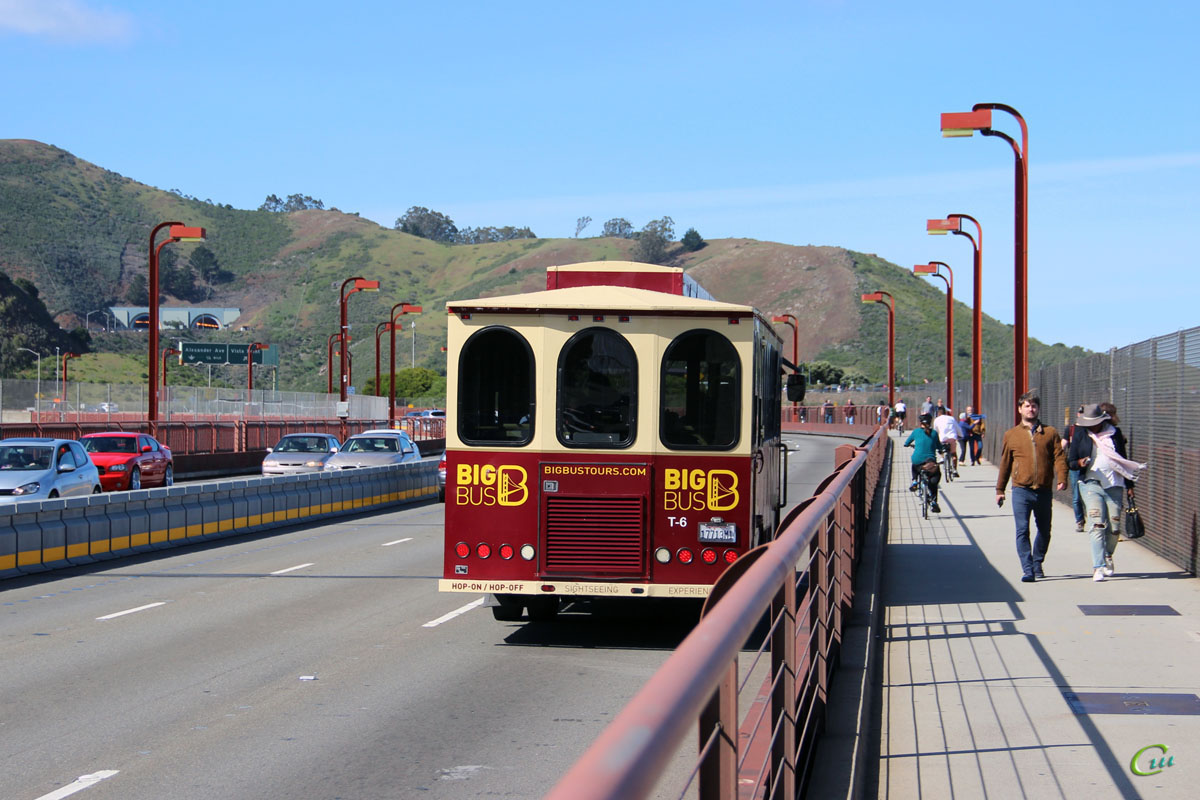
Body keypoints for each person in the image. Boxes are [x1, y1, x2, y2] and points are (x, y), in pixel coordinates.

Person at [1068, 403, 1146, 582]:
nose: (1091, 426)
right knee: (1097, 524)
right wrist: (1079, 463)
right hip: (1090, 483)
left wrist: (1130, 486)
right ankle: (1098, 566)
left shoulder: (1114, 434)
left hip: (1114, 484)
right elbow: (1070, 460)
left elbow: (1123, 460)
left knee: (1114, 526)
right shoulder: (1081, 433)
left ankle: (1108, 555)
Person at [995, 391, 1067, 582]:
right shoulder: (1011, 435)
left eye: (1034, 406)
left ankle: (1037, 562)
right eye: (1027, 406)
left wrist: (1062, 477)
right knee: (1022, 530)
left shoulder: (1050, 433)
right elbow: (1005, 463)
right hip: (1021, 489)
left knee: (1044, 529)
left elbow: (1059, 456)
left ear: (1038, 409)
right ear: (1020, 409)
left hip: (1043, 490)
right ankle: (1027, 569)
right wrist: (1000, 490)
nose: (1031, 409)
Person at [904, 413, 944, 512]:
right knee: (935, 477)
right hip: (930, 463)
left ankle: (914, 481)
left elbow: (906, 443)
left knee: (915, 463)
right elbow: (939, 447)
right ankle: (934, 501)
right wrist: (941, 450)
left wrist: (911, 445)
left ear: (920, 422)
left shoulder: (916, 432)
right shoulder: (934, 433)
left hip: (917, 462)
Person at [1060, 418, 1087, 532]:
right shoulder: (1071, 429)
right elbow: (1063, 445)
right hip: (1075, 466)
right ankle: (1080, 521)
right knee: (1076, 496)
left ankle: (1093, 519)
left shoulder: (1090, 429)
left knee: (1088, 495)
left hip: (1088, 467)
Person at [932, 408, 960, 477]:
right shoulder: (951, 418)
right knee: (953, 454)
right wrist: (961, 435)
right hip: (951, 438)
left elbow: (935, 431)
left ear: (938, 413)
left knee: (941, 448)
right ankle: (954, 470)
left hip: (942, 439)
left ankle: (942, 457)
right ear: (945, 412)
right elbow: (958, 428)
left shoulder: (936, 420)